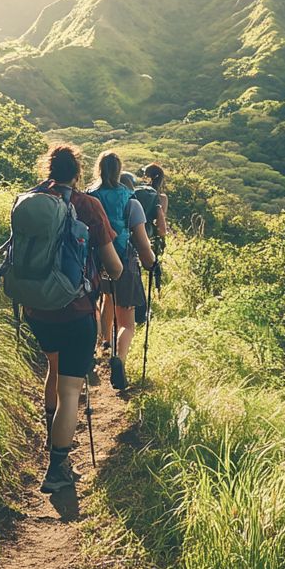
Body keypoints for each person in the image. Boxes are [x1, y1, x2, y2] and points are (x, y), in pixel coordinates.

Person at [20, 143, 123, 493]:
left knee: (53, 367)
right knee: (70, 387)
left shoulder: (27, 200)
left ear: (48, 168)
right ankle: (58, 469)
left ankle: (52, 436)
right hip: (76, 310)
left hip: (36, 308)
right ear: (77, 171)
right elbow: (114, 266)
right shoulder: (87, 206)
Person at [89, 151, 156, 390]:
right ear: (120, 171)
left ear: (98, 169)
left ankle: (95, 349)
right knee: (127, 320)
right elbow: (142, 243)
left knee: (96, 305)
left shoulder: (88, 198)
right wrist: (152, 263)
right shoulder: (131, 201)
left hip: (94, 263)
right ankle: (119, 357)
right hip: (123, 263)